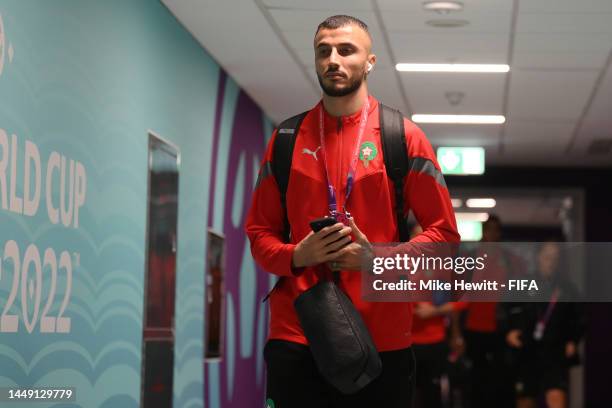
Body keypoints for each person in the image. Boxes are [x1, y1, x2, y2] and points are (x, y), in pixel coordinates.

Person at [245, 15, 459, 408]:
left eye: (346, 50)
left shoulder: (403, 138)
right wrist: (296, 255)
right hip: (298, 333)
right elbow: (259, 234)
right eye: (323, 50)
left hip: (382, 341)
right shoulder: (286, 140)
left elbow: (444, 237)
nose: (333, 59)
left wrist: (375, 259)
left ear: (370, 61)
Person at [506, 241, 584, 408]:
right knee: (525, 400)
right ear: (538, 257)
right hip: (526, 349)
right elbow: (506, 310)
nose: (551, 261)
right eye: (547, 256)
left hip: (554, 350)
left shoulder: (568, 289)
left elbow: (579, 318)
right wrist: (510, 330)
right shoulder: (522, 284)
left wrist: (573, 340)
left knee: (556, 397)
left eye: (555, 257)